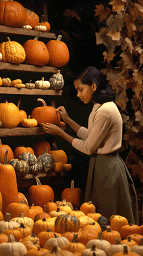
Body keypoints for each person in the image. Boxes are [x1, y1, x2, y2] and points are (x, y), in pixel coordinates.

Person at [42, 66, 139, 224]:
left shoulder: (105, 111)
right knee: (100, 215)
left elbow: (88, 147)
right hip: (101, 165)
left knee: (108, 216)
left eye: (81, 89)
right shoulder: (98, 107)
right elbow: (91, 136)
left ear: (93, 86)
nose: (78, 94)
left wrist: (60, 133)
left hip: (108, 169)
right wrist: (67, 120)